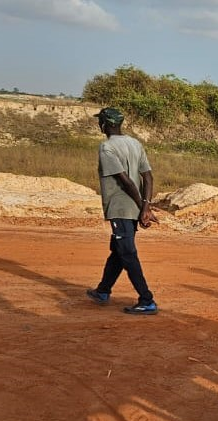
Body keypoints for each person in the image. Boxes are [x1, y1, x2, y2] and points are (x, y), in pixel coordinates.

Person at [86, 107, 158, 315]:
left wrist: (143, 208)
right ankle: (103, 291)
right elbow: (148, 177)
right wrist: (145, 206)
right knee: (118, 250)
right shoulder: (134, 143)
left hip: (121, 207)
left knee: (127, 252)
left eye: (101, 122)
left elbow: (125, 181)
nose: (100, 125)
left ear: (106, 124)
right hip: (132, 208)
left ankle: (146, 299)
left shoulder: (107, 147)